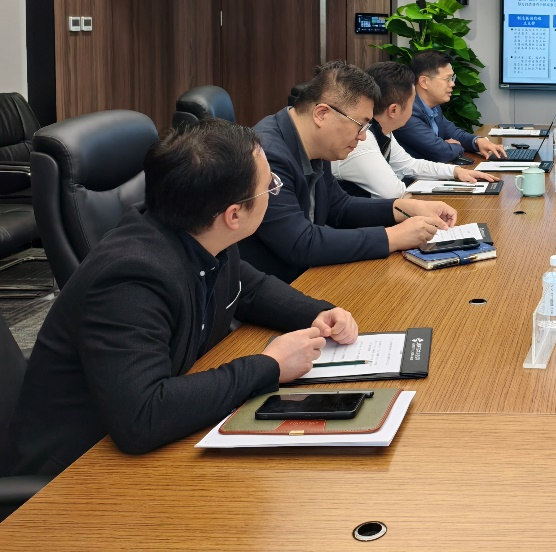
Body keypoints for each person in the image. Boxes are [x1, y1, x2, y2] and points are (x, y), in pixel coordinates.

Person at [2, 120, 357, 478]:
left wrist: (318, 312)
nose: (273, 192)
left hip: (155, 441)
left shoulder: (203, 232)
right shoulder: (130, 278)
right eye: (269, 187)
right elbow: (143, 416)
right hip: (74, 473)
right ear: (234, 215)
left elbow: (248, 288)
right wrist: (270, 365)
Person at [245, 61, 458, 282]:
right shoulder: (266, 155)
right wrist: (392, 237)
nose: (363, 137)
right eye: (361, 125)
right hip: (276, 285)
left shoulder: (317, 143)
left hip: (308, 275)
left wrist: (404, 208)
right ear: (322, 114)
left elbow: (339, 207)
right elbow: (300, 242)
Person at [334, 61, 498, 198]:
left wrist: (455, 171)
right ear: (393, 110)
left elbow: (409, 164)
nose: (415, 107)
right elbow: (394, 192)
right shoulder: (362, 140)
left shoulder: (382, 130)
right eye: (412, 102)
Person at [396, 51, 506, 164]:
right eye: (447, 79)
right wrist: (453, 146)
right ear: (424, 82)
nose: (452, 84)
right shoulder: (407, 112)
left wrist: (478, 141)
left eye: (452, 78)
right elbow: (441, 152)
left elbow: (454, 133)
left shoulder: (433, 106)